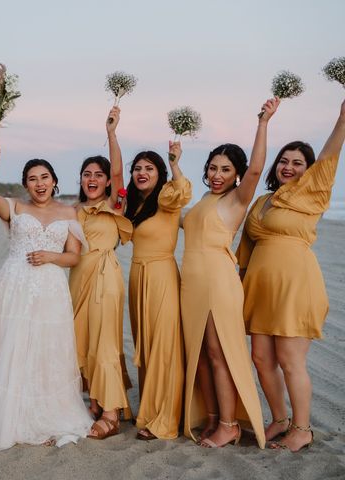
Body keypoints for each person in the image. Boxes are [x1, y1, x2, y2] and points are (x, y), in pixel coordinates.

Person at [237, 98, 345, 452]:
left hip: (296, 286)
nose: (288, 166)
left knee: (290, 359)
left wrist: (342, 119)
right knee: (261, 359)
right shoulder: (262, 201)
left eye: (298, 163)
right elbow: (246, 251)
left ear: (308, 170)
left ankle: (303, 429)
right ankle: (279, 419)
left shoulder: (312, 194)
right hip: (260, 288)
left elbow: (329, 158)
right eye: (284, 160)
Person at [0, 142, 93, 450]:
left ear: (54, 181)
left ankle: (49, 412)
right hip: (16, 283)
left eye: (44, 177)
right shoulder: (16, 207)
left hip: (51, 286)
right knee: (14, 343)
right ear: (25, 184)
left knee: (47, 346)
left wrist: (51, 257)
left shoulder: (68, 212)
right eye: (32, 179)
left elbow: (73, 257)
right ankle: (11, 416)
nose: (39, 184)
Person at [180, 97, 279, 449]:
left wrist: (263, 123)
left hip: (217, 282)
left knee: (218, 353)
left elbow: (256, 169)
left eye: (225, 169)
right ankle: (210, 417)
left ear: (236, 174)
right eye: (212, 168)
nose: (217, 175)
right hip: (191, 284)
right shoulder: (203, 201)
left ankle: (229, 424)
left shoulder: (237, 199)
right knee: (202, 354)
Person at [68, 106, 134, 440]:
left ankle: (110, 413)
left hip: (105, 279)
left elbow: (121, 173)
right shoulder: (73, 210)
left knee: (104, 340)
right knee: (81, 338)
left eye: (98, 174)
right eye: (86, 174)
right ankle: (95, 398)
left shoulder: (113, 205)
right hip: (77, 280)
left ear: (107, 181)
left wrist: (111, 133)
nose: (92, 179)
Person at [124, 142, 192, 440]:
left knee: (164, 345)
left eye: (149, 168)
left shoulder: (167, 197)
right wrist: (112, 133)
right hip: (138, 275)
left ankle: (165, 419)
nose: (142, 172)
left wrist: (175, 163)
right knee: (147, 344)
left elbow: (184, 191)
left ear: (159, 173)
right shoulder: (135, 204)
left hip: (162, 273)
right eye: (137, 168)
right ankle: (149, 411)